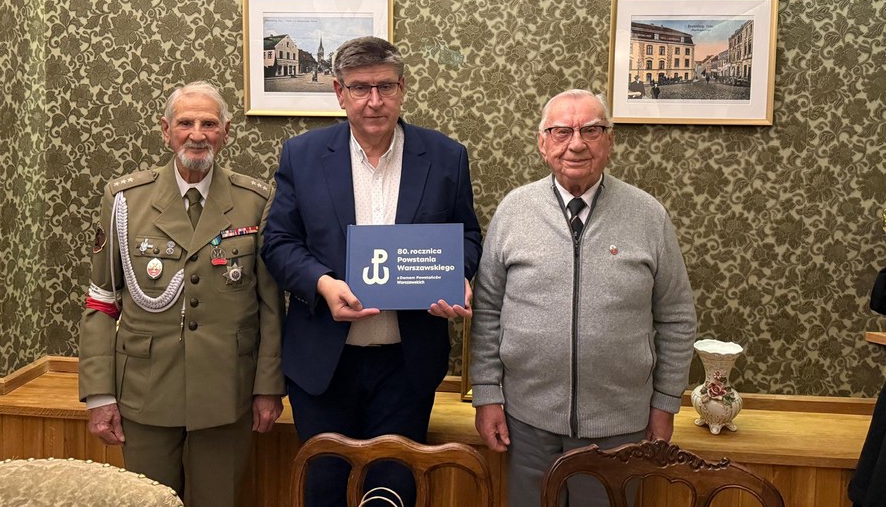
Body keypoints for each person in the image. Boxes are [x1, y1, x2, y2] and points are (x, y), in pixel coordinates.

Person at [261, 36, 482, 507]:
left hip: (406, 366)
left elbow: (467, 236)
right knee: (324, 491)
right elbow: (278, 243)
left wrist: (455, 277)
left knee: (392, 492)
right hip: (324, 366)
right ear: (339, 93)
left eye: (385, 86)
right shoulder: (302, 155)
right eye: (360, 88)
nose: (374, 101)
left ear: (403, 88)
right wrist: (323, 284)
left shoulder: (446, 156)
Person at [470, 88, 696, 507]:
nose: (576, 144)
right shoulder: (514, 210)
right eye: (561, 131)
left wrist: (666, 404)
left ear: (610, 141)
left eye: (591, 130)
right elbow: (487, 310)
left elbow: (677, 317)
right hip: (527, 424)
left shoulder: (648, 215)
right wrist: (486, 394)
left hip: (619, 428)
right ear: (542, 143)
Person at [78, 81, 285, 507]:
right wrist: (99, 395)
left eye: (209, 124)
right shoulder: (125, 200)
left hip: (226, 392)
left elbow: (270, 306)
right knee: (147, 501)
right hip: (146, 390)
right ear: (166, 130)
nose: (197, 134)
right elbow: (101, 300)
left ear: (226, 132)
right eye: (185, 123)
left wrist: (268, 387)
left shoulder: (255, 201)